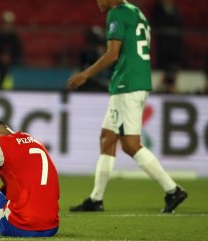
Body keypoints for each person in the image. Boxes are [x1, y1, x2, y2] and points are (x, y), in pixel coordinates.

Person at [67, 0, 187, 213]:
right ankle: (96, 199)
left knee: (131, 144)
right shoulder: (136, 12)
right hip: (136, 81)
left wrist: (85, 74)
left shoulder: (116, 13)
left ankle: (172, 190)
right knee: (107, 138)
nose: (97, 1)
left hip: (127, 84)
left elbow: (113, 54)